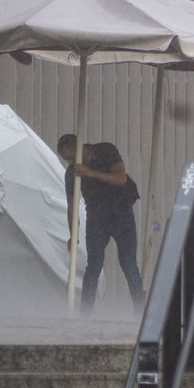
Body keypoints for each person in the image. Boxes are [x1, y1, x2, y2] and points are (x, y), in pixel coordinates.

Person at [58, 134, 143, 314]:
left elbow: (121, 178)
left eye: (72, 158)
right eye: (67, 160)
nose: (71, 163)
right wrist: (74, 235)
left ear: (80, 148)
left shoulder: (106, 150)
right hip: (97, 217)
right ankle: (85, 314)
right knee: (94, 265)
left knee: (128, 263)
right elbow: (72, 207)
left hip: (121, 212)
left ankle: (140, 310)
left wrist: (90, 173)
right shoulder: (72, 173)